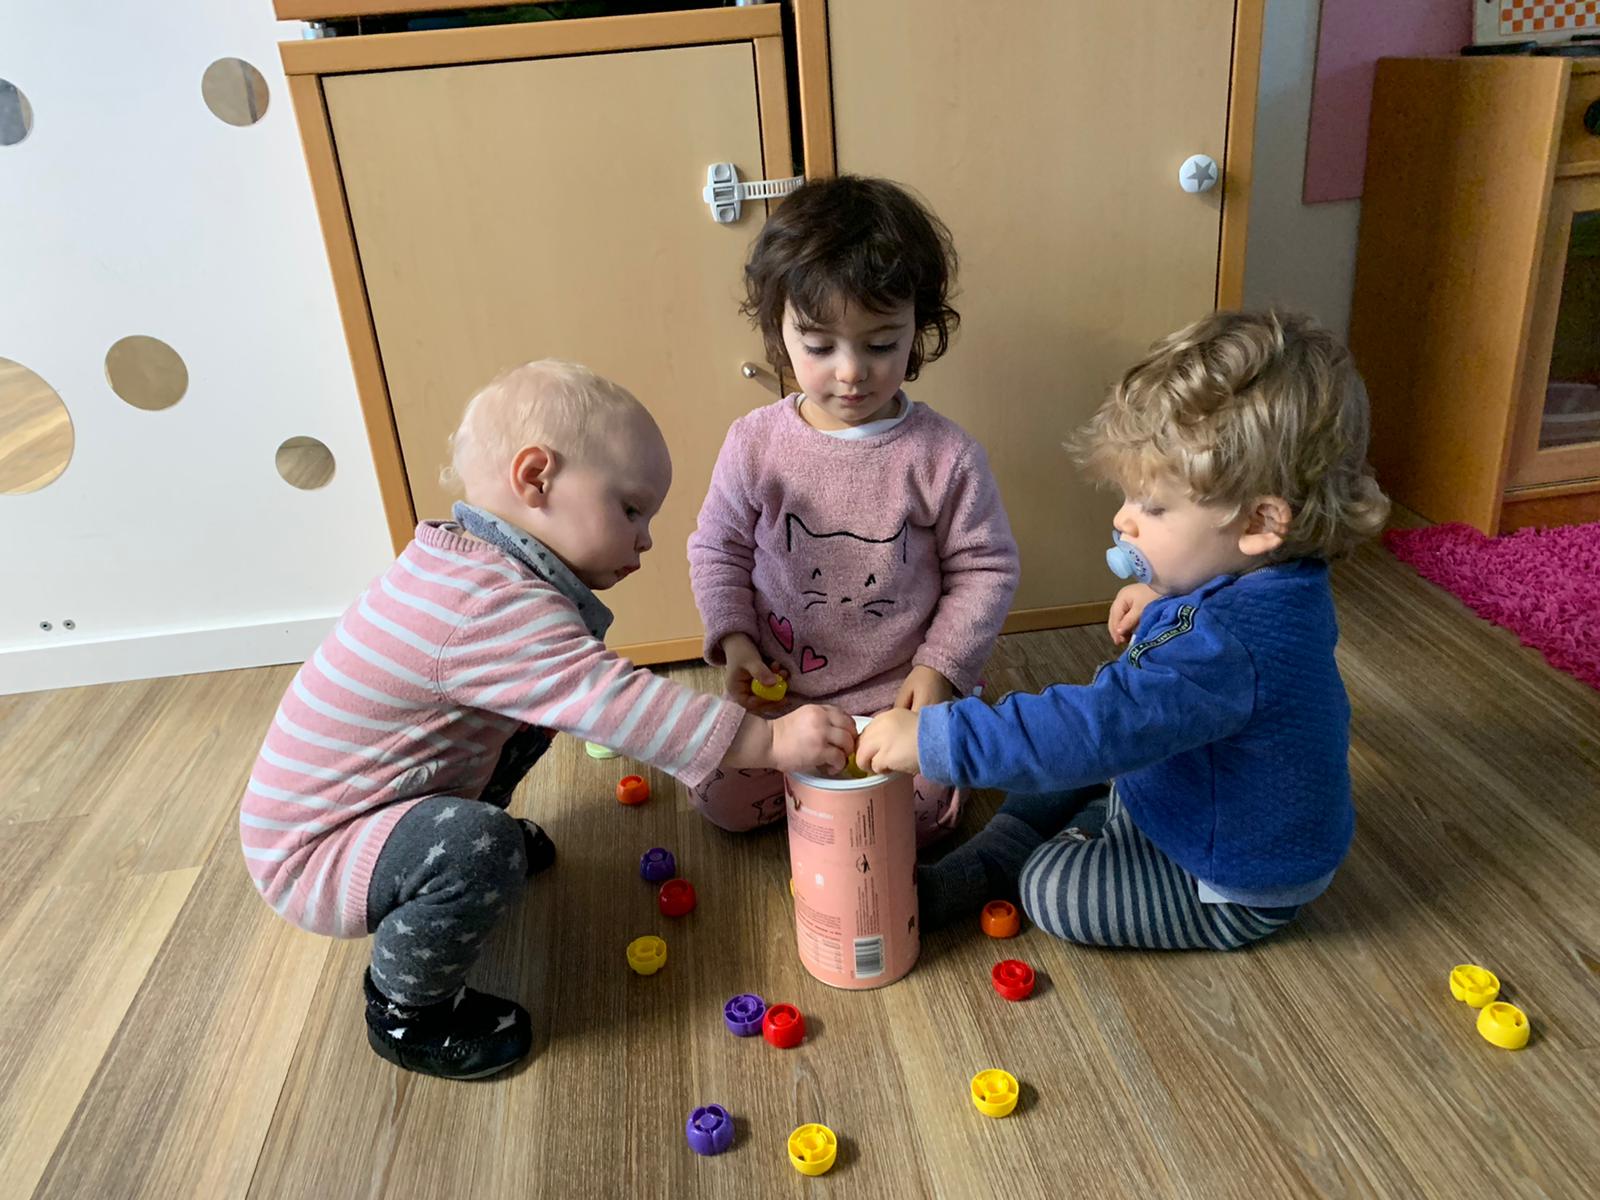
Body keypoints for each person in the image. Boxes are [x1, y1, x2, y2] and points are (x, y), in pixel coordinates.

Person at [240, 360, 855, 1078]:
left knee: (532, 722)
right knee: (479, 851)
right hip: (316, 853)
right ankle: (408, 1011)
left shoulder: (472, 572)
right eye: (631, 510)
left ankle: (451, 845)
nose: (646, 540)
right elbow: (619, 704)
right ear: (536, 479)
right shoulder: (487, 605)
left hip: (359, 810)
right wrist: (769, 740)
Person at [857, 310, 1390, 950]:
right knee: (1069, 745)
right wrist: (1164, 592)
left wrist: (938, 740)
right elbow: (1222, 629)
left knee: (1053, 882)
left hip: (1225, 878)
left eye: (1153, 507)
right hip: (1199, 796)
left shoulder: (1220, 648)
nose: (1123, 520)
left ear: (1260, 523)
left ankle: (1029, 848)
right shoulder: (1281, 579)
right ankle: (1038, 833)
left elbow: (1104, 724)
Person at [688, 175, 1019, 844]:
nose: (850, 372)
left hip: (897, 694)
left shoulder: (944, 455)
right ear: (779, 334)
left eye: (880, 344)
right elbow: (717, 547)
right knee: (720, 801)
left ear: (918, 331)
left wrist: (939, 668)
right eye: (820, 347)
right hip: (783, 695)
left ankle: (949, 732)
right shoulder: (755, 443)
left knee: (920, 822)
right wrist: (737, 641)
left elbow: (985, 570)